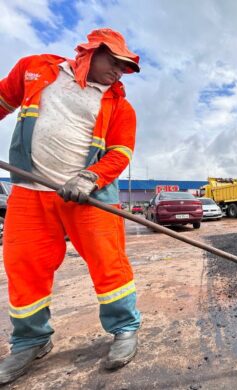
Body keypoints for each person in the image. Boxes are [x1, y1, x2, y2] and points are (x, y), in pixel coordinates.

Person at [0, 28, 142, 384]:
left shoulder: (120, 106)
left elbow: (120, 153)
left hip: (88, 195)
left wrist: (90, 178)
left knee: (109, 264)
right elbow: (2, 100)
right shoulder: (35, 70)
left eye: (126, 68)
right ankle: (30, 341)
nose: (119, 72)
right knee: (24, 267)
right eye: (116, 62)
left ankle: (125, 328)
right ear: (92, 52)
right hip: (31, 192)